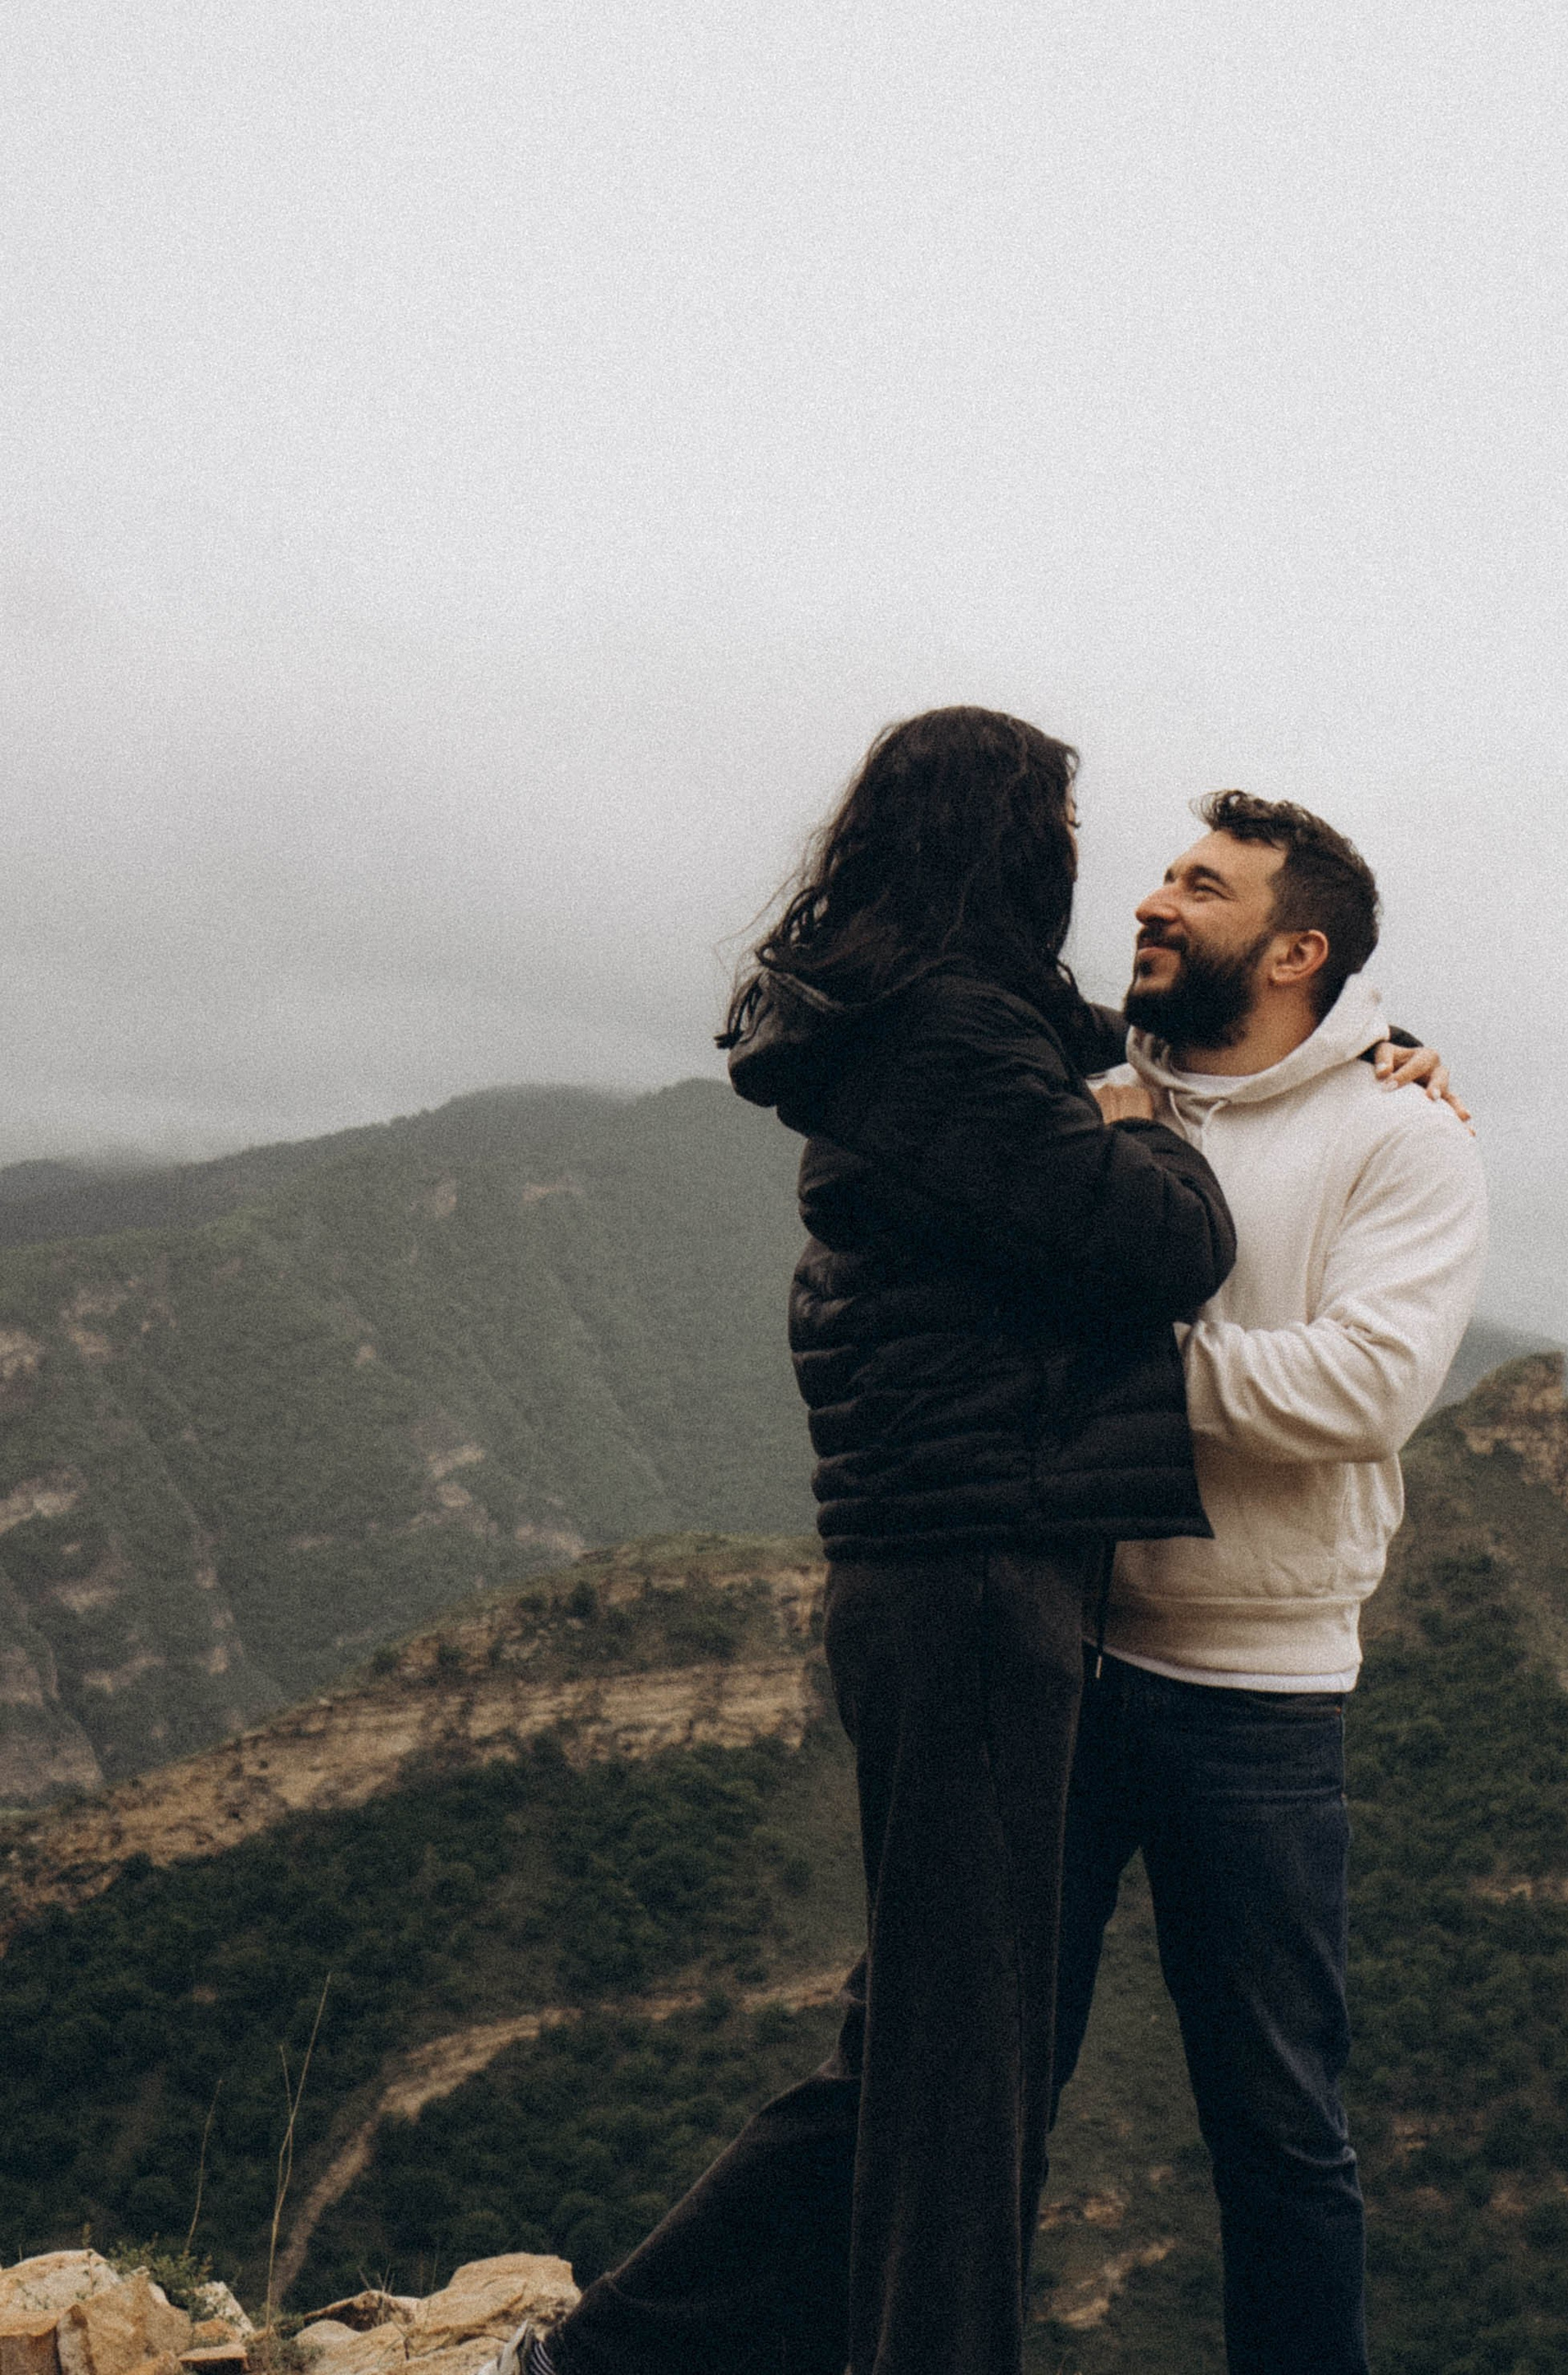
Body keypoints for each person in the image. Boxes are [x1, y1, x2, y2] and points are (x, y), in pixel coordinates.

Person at [524, 705, 1237, 2375]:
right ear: (1005, 841)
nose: (1080, 855)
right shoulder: (940, 1043)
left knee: (927, 2037)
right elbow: (1149, 1243)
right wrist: (1160, 1141)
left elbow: (1082, 1059)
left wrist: (1351, 1057)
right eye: (1059, 822)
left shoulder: (930, 1028)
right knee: (958, 2057)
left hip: (959, 1566)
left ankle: (612, 2355)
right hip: (973, 1571)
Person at [1048, 789, 1487, 2375]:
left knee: (1278, 2124)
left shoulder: (1401, 1134)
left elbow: (1368, 1389)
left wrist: (1113, 1369)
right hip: (1054, 1650)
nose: (1154, 902)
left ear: (1299, 953)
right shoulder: (1093, 1095)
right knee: (981, 2086)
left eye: (1201, 888)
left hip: (1258, 1691)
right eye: (1163, 875)